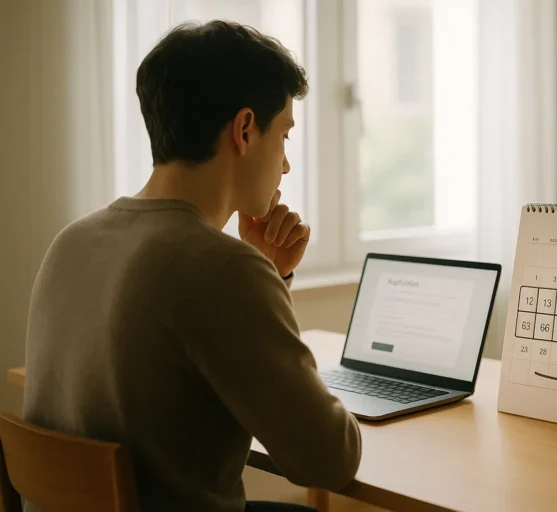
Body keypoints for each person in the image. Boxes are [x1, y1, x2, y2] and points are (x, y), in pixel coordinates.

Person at [22, 20, 362, 512]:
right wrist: (255, 273)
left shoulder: (72, 241)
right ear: (245, 129)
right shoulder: (222, 271)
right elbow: (329, 460)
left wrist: (267, 271)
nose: (285, 165)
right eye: (284, 136)